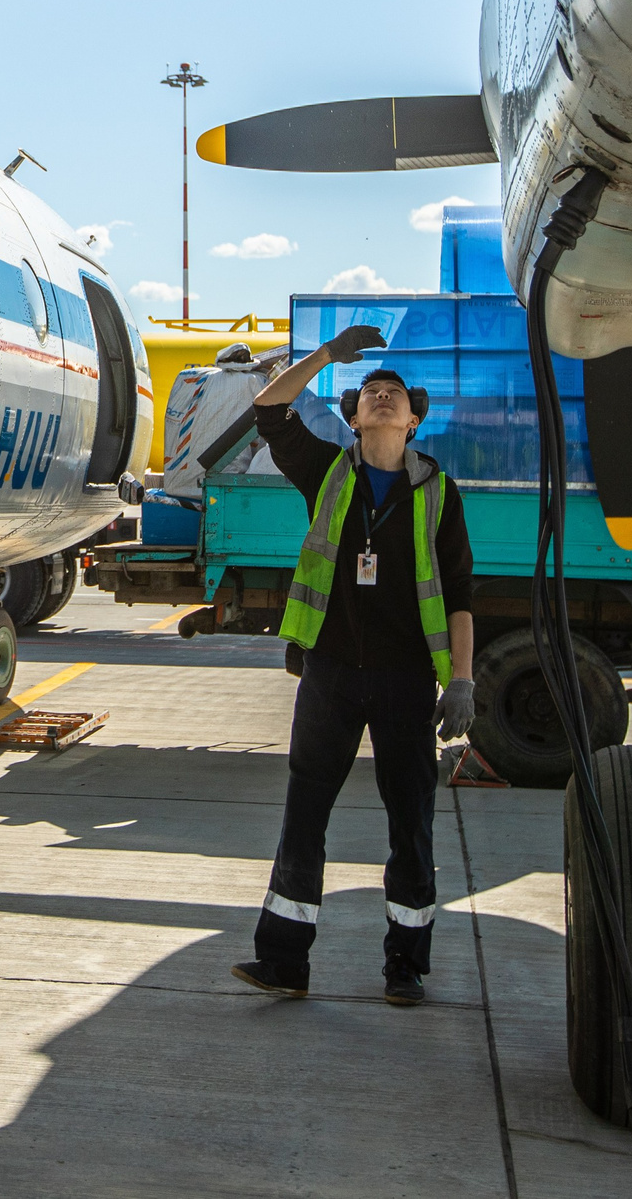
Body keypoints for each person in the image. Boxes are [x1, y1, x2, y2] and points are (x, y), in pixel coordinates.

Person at [230, 325, 476, 1007]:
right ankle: (284, 959)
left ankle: (406, 965)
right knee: (304, 813)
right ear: (354, 416)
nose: (383, 396)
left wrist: (462, 678)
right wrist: (326, 356)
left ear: (414, 419)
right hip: (331, 674)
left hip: (404, 682)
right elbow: (269, 411)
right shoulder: (328, 473)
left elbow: (459, 595)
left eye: (395, 394)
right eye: (372, 391)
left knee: (411, 823)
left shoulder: (439, 493)